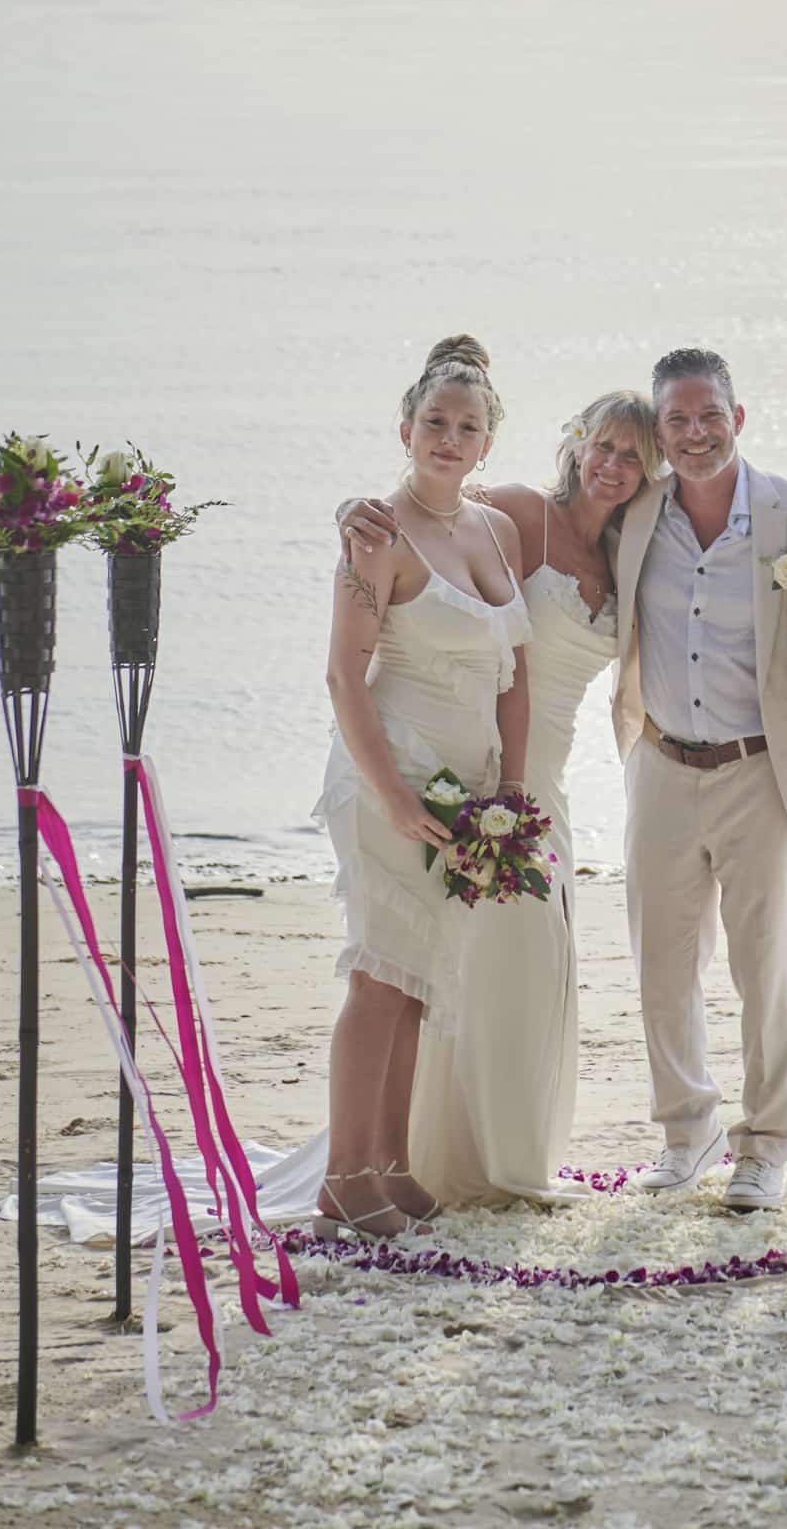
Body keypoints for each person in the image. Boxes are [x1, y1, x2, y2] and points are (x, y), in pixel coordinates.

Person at [340, 390, 660, 1202]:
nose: (612, 465)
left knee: (513, 966)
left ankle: (497, 1160)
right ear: (575, 443)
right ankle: (412, 1162)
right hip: (468, 770)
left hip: (534, 783)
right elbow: (428, 513)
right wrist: (352, 511)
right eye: (602, 445)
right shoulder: (517, 511)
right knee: (437, 963)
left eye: (632, 455)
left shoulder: (633, 551)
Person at [609, 347, 787, 1212]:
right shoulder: (634, 515)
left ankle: (764, 1146)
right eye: (677, 420)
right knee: (662, 965)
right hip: (660, 764)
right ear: (659, 432)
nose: (695, 433)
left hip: (762, 770)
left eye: (710, 416)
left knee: (764, 970)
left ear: (737, 418)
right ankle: (687, 1132)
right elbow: (532, 522)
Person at [315, 334, 531, 1239]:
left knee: (418, 981)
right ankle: (341, 1180)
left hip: (466, 796)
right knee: (379, 975)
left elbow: (513, 674)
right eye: (434, 422)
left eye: (467, 427)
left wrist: (507, 795)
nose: (449, 438)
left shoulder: (498, 529)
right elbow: (343, 676)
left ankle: (392, 1165)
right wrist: (397, 798)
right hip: (390, 780)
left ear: (488, 442)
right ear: (404, 429)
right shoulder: (377, 536)